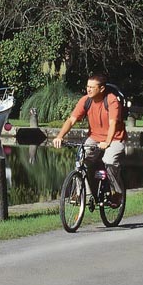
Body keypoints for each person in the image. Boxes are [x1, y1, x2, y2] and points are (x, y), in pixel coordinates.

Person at [52, 74, 126, 205]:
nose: (88, 89)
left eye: (92, 87)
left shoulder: (111, 100)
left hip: (114, 138)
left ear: (102, 88)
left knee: (109, 161)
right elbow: (71, 120)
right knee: (80, 160)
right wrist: (59, 136)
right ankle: (82, 193)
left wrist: (108, 142)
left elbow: (113, 123)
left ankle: (117, 192)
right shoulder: (86, 100)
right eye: (87, 86)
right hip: (94, 138)